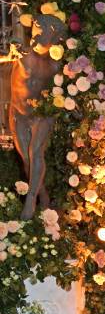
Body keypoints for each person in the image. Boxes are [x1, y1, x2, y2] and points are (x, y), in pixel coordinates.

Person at [9, 15, 66, 220]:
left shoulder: (56, 66)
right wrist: (12, 51)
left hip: (42, 114)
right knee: (26, 159)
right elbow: (10, 54)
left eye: (42, 33)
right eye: (35, 30)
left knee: (35, 152)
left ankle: (30, 200)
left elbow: (63, 91)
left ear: (55, 38)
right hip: (18, 112)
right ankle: (43, 196)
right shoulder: (21, 52)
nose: (36, 36)